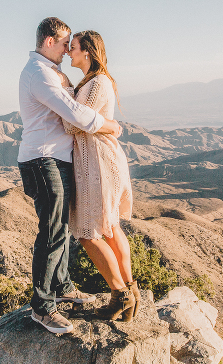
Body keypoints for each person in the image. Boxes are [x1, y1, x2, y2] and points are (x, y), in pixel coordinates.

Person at [18, 17, 123, 334]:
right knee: (51, 233)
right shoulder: (39, 74)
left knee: (60, 229)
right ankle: (43, 308)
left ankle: (61, 286)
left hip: (55, 158)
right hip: (42, 159)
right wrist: (111, 126)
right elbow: (75, 114)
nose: (67, 49)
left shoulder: (50, 71)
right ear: (49, 41)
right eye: (64, 43)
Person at [63, 30, 138, 322]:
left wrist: (66, 97)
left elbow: (72, 126)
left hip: (96, 165)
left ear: (88, 52)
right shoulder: (96, 82)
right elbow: (83, 122)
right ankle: (131, 291)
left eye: (74, 48)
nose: (69, 51)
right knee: (109, 227)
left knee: (86, 233)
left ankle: (120, 295)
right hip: (99, 160)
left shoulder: (95, 85)